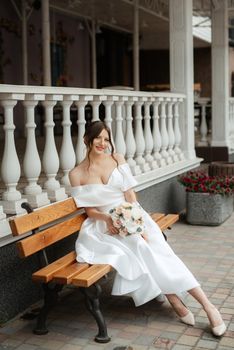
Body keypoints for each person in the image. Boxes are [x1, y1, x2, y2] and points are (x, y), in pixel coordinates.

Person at [69, 120, 226, 337]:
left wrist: (136, 224)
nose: (103, 143)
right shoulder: (76, 174)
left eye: (106, 139)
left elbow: (130, 197)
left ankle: (207, 305)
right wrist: (108, 219)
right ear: (87, 139)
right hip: (102, 226)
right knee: (142, 247)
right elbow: (89, 210)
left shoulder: (117, 159)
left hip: (132, 215)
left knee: (160, 251)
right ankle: (175, 300)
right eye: (98, 138)